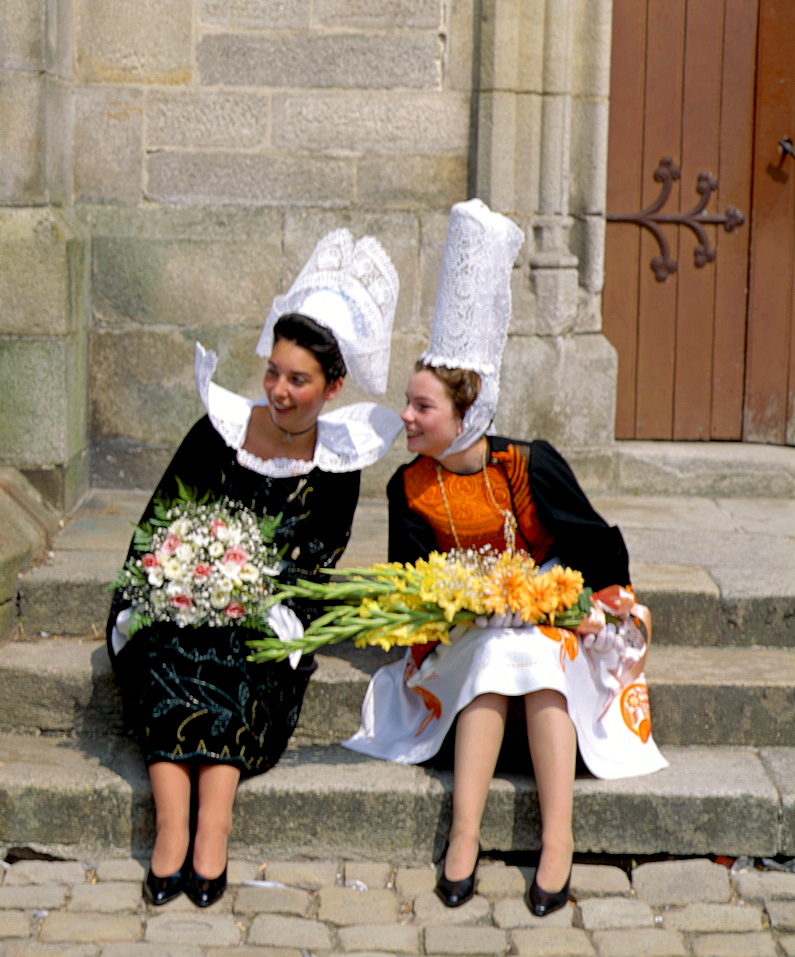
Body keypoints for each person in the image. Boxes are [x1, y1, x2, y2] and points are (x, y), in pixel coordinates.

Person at [343, 200, 667, 916]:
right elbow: (410, 585)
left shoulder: (526, 465)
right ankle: (464, 837)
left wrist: (583, 604)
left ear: (467, 416)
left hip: (549, 619)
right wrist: (461, 602)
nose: (406, 416)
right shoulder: (410, 487)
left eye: (422, 407)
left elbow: (597, 547)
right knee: (492, 655)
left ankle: (557, 840)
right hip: (468, 629)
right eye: (407, 401)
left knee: (536, 654)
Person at [107, 229, 401, 908]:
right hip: (179, 590)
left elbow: (312, 563)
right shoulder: (220, 427)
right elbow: (161, 520)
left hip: (269, 607)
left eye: (297, 380)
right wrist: (177, 579)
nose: (277, 389)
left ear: (332, 387)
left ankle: (214, 822)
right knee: (168, 644)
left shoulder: (336, 464)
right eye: (272, 371)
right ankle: (170, 827)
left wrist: (243, 595)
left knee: (237, 657)